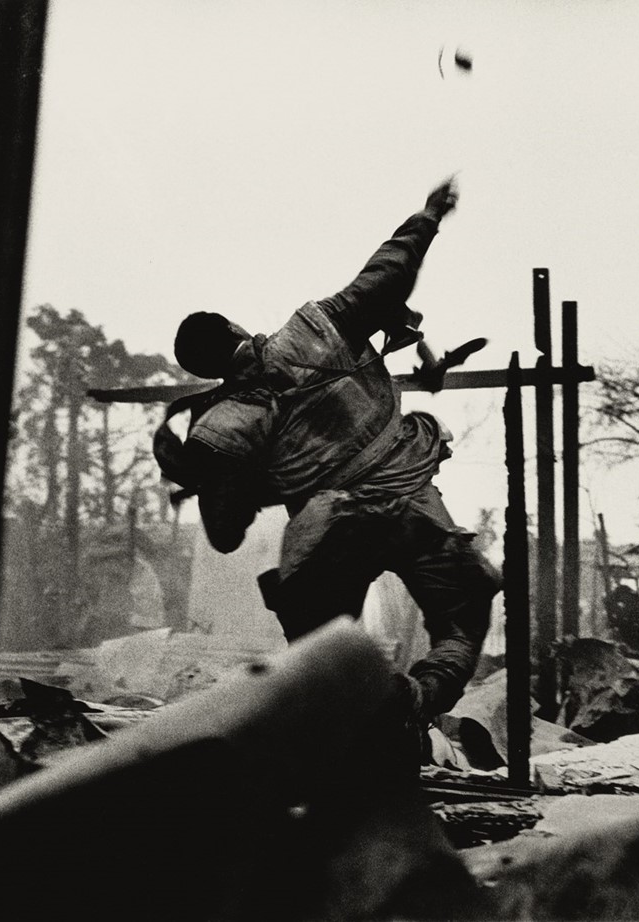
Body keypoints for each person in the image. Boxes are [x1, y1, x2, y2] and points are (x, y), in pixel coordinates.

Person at [154, 176, 500, 734]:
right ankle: (417, 697)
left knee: (320, 654)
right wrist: (428, 215)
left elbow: (223, 534)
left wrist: (219, 479)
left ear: (204, 371)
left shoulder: (221, 427)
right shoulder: (315, 328)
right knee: (461, 621)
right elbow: (387, 275)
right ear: (235, 326)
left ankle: (369, 722)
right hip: (409, 499)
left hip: (328, 529)